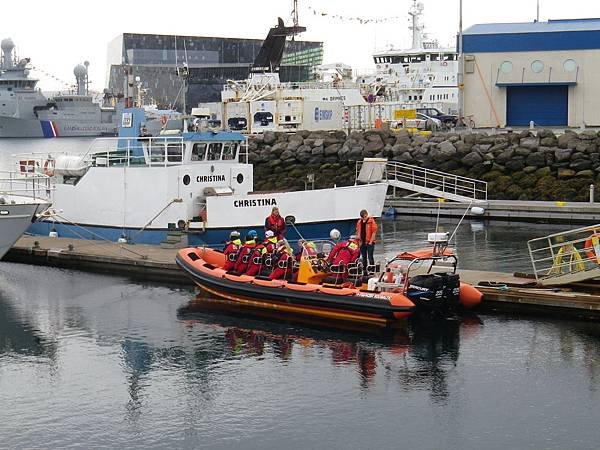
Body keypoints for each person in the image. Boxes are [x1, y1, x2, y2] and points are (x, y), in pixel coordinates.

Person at [356, 209, 378, 273]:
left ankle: (372, 270)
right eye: (363, 217)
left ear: (367, 215)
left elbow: (374, 232)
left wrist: (371, 242)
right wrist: (359, 240)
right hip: (362, 242)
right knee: (364, 257)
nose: (364, 218)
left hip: (369, 242)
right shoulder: (359, 222)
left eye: (365, 216)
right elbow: (358, 231)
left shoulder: (371, 221)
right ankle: (365, 270)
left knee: (370, 257)